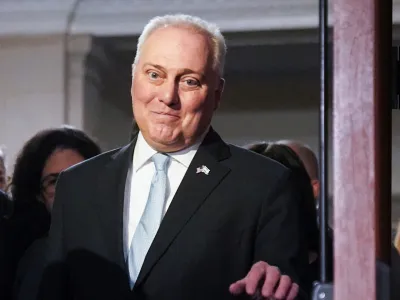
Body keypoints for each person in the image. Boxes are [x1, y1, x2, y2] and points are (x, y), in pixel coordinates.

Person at [39, 15, 310, 300]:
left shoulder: (264, 184)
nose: (168, 96)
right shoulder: (78, 184)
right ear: (134, 78)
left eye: (189, 81)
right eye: (155, 75)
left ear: (217, 93)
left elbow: (286, 288)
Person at [2, 126, 101, 300]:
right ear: (38, 195)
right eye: (55, 181)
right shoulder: (39, 256)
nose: (70, 188)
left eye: (81, 175)